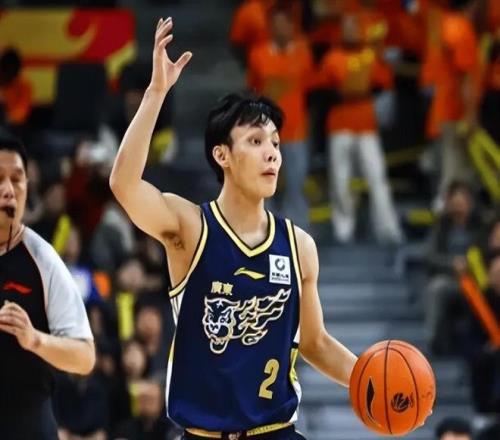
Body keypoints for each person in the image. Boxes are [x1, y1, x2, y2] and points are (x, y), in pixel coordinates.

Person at [109, 16, 357, 439]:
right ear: (222, 155)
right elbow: (124, 185)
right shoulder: (190, 227)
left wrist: (370, 377)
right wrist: (155, 93)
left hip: (276, 431)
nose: (272, 153)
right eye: (256, 142)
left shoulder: (299, 246)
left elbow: (314, 344)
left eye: (275, 143)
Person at [0, 128, 95, 439]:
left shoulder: (42, 258)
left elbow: (85, 357)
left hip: (26, 425)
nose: (8, 190)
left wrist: (35, 340)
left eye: (17, 179)